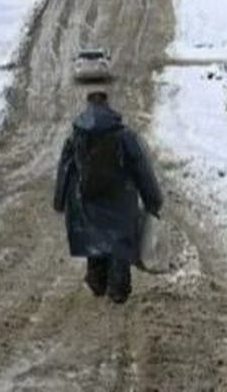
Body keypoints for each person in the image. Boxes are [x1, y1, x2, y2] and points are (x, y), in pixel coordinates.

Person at [54, 89, 163, 304]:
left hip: (88, 202)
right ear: (108, 106)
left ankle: (97, 279)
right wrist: (153, 200)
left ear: (88, 106)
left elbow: (65, 169)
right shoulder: (124, 136)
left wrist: (59, 200)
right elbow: (142, 169)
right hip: (120, 202)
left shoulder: (76, 136)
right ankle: (118, 287)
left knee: (94, 240)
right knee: (119, 244)